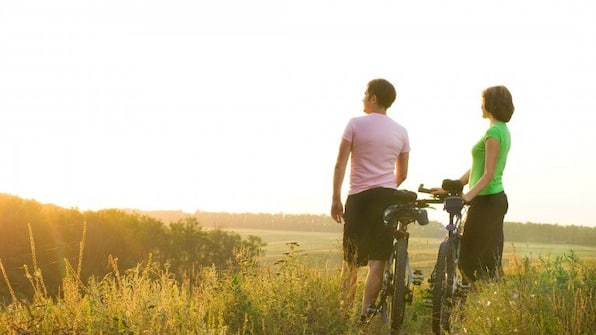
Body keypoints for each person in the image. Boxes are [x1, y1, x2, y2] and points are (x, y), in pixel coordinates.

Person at [330, 78, 410, 321]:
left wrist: (336, 198)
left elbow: (340, 164)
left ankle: (345, 315)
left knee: (351, 261)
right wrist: (385, 188)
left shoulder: (355, 124)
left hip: (359, 198)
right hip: (387, 198)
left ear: (374, 97)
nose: (363, 98)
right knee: (378, 261)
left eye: (366, 94)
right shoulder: (401, 131)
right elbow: (403, 173)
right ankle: (365, 315)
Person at [433, 85, 514, 283]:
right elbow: (477, 168)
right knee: (488, 261)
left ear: (490, 104)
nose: (481, 105)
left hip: (486, 201)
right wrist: (453, 187)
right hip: (494, 200)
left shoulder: (494, 133)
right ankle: (489, 303)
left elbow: (488, 174)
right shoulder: (502, 130)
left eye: (483, 101)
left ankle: (481, 304)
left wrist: (468, 196)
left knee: (468, 261)